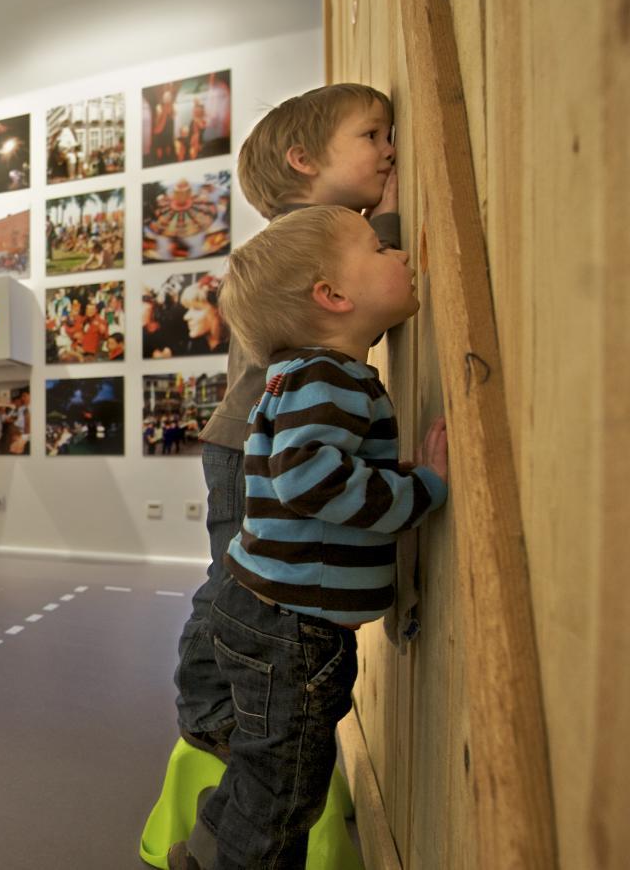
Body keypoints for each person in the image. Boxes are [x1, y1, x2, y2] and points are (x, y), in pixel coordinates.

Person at [172, 203, 448, 870]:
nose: (402, 254)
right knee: (286, 791)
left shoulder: (305, 377)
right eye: (379, 251)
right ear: (332, 295)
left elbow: (316, 471)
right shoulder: (329, 376)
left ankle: (208, 848)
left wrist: (398, 473)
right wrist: (427, 488)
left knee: (271, 770)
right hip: (292, 628)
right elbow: (311, 479)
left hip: (272, 613)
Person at [170, 84, 407, 775]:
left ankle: (233, 695)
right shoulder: (299, 242)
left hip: (259, 436)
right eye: (372, 136)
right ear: (305, 160)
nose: (390, 151)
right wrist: (383, 233)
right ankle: (206, 706)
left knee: (251, 574)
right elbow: (357, 291)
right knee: (236, 575)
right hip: (249, 439)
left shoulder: (318, 237)